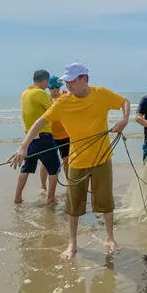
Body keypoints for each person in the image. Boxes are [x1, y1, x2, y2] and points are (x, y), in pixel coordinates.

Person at [10, 63, 130, 259]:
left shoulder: (102, 94)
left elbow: (124, 101)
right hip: (76, 161)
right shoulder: (63, 102)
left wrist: (125, 119)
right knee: (73, 207)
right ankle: (72, 244)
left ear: (85, 80)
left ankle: (110, 238)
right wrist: (23, 146)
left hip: (102, 159)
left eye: (72, 81)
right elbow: (40, 122)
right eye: (66, 82)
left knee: (106, 202)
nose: (68, 85)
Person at [16, 69, 62, 205]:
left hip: (30, 137)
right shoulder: (40, 93)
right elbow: (54, 109)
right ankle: (51, 198)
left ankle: (17, 197)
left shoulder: (25, 93)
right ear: (45, 81)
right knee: (54, 167)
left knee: (27, 167)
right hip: (44, 136)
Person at [39, 75, 70, 195]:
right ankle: (43, 187)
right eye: (52, 88)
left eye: (57, 87)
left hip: (64, 135)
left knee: (66, 161)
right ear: (49, 89)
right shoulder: (46, 99)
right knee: (45, 162)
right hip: (50, 135)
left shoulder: (65, 96)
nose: (55, 90)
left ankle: (68, 183)